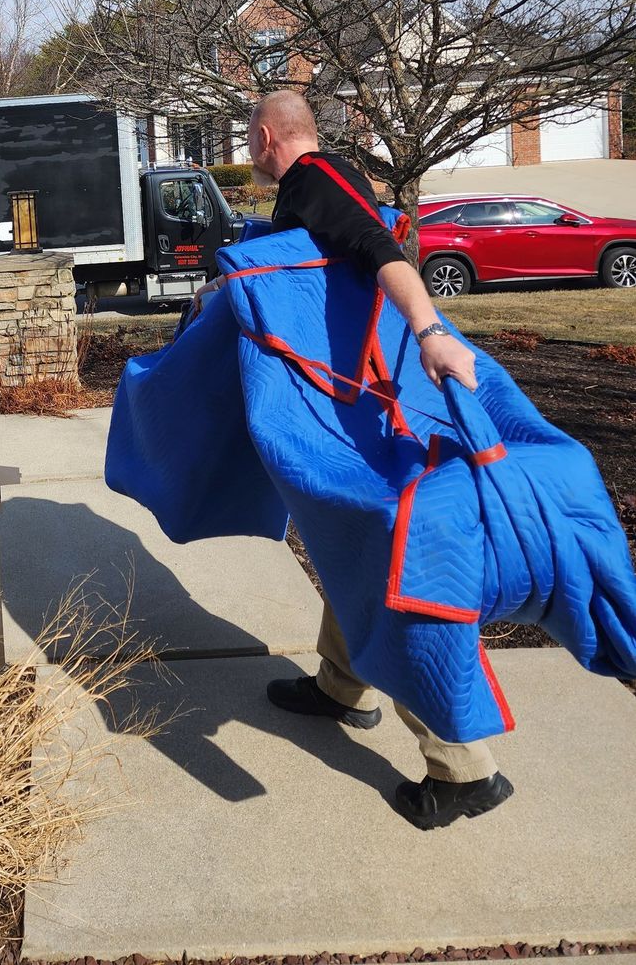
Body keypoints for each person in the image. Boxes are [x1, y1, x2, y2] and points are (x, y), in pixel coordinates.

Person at [194, 91, 513, 830]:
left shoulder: (318, 181)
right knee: (341, 537)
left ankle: (465, 768)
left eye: (248, 139)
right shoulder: (313, 189)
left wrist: (431, 329)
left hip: (363, 408)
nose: (247, 149)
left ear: (267, 136)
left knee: (379, 562)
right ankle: (341, 687)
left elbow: (379, 249)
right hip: (339, 404)